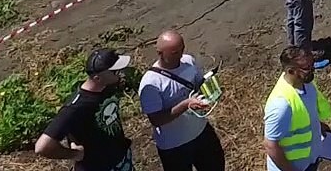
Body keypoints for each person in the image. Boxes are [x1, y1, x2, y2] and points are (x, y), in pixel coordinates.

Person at [35, 49, 135, 171]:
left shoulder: (108, 86)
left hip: (122, 160)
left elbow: (76, 126)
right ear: (97, 78)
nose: (120, 73)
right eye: (115, 71)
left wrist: (72, 138)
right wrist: (73, 154)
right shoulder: (75, 107)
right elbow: (42, 146)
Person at [138, 30, 224, 171]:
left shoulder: (188, 61)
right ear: (160, 53)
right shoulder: (151, 84)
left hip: (201, 132)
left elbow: (197, 85)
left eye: (181, 49)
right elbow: (156, 120)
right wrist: (185, 105)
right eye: (174, 53)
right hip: (175, 146)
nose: (180, 55)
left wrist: (209, 90)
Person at [263, 46, 331, 171]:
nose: (312, 70)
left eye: (312, 65)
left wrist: (319, 127)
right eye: (307, 68)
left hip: (310, 161)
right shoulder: (281, 105)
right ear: (291, 71)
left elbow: (304, 115)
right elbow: (271, 145)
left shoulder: (307, 85)